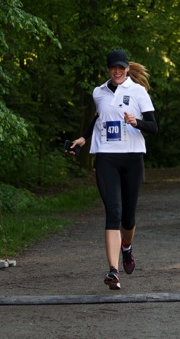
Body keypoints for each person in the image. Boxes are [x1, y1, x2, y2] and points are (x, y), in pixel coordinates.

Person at [68, 49, 158, 290]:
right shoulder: (98, 92)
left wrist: (136, 122)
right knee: (113, 212)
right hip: (106, 157)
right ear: (108, 69)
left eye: (121, 67)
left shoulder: (138, 92)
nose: (117, 71)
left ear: (127, 68)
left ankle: (126, 247)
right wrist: (83, 138)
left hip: (132, 158)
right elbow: (99, 118)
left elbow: (154, 127)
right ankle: (113, 270)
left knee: (128, 218)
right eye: (113, 67)